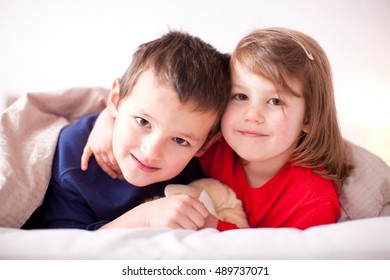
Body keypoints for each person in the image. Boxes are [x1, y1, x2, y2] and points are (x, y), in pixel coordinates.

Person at [81, 27, 354, 231]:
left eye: (274, 101)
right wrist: (107, 120)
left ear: (308, 117)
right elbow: (158, 103)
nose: (252, 116)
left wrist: (212, 227)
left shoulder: (312, 201)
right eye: (241, 96)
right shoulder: (214, 144)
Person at [22, 30, 231, 230]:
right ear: (115, 99)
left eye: (180, 141)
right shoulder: (74, 158)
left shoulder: (202, 163)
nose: (151, 152)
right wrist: (145, 217)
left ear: (205, 145)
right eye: (142, 121)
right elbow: (65, 247)